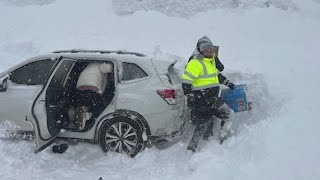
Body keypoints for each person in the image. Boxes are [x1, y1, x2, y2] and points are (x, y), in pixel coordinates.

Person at [181, 36, 235, 152]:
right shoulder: (195, 63)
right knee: (210, 120)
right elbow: (186, 82)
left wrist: (228, 83)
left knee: (220, 117)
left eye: (210, 49)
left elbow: (217, 75)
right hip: (200, 100)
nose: (209, 51)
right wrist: (193, 97)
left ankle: (218, 141)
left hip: (212, 98)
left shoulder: (210, 62)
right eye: (205, 49)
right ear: (200, 50)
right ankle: (196, 146)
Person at [68, 62, 113, 130]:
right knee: (100, 107)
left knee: (84, 102)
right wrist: (113, 68)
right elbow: (107, 68)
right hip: (92, 87)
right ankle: (87, 115)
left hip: (81, 88)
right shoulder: (99, 64)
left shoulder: (90, 64)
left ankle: (78, 111)